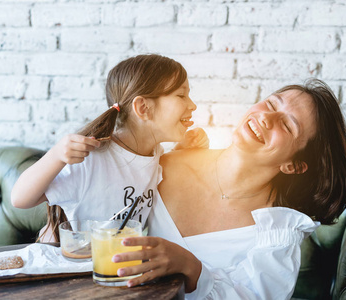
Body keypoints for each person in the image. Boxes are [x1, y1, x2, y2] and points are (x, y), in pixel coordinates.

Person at [110, 79, 346, 299]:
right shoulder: (160, 161)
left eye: (287, 125)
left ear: (293, 166)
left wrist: (193, 269)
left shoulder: (276, 234)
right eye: (271, 104)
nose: (266, 118)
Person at [11, 54, 208, 242]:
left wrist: (181, 150)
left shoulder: (154, 153)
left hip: (116, 267)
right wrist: (55, 155)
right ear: (143, 108)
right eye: (181, 95)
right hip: (72, 266)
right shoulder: (91, 158)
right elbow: (20, 199)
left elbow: (137, 171)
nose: (192, 105)